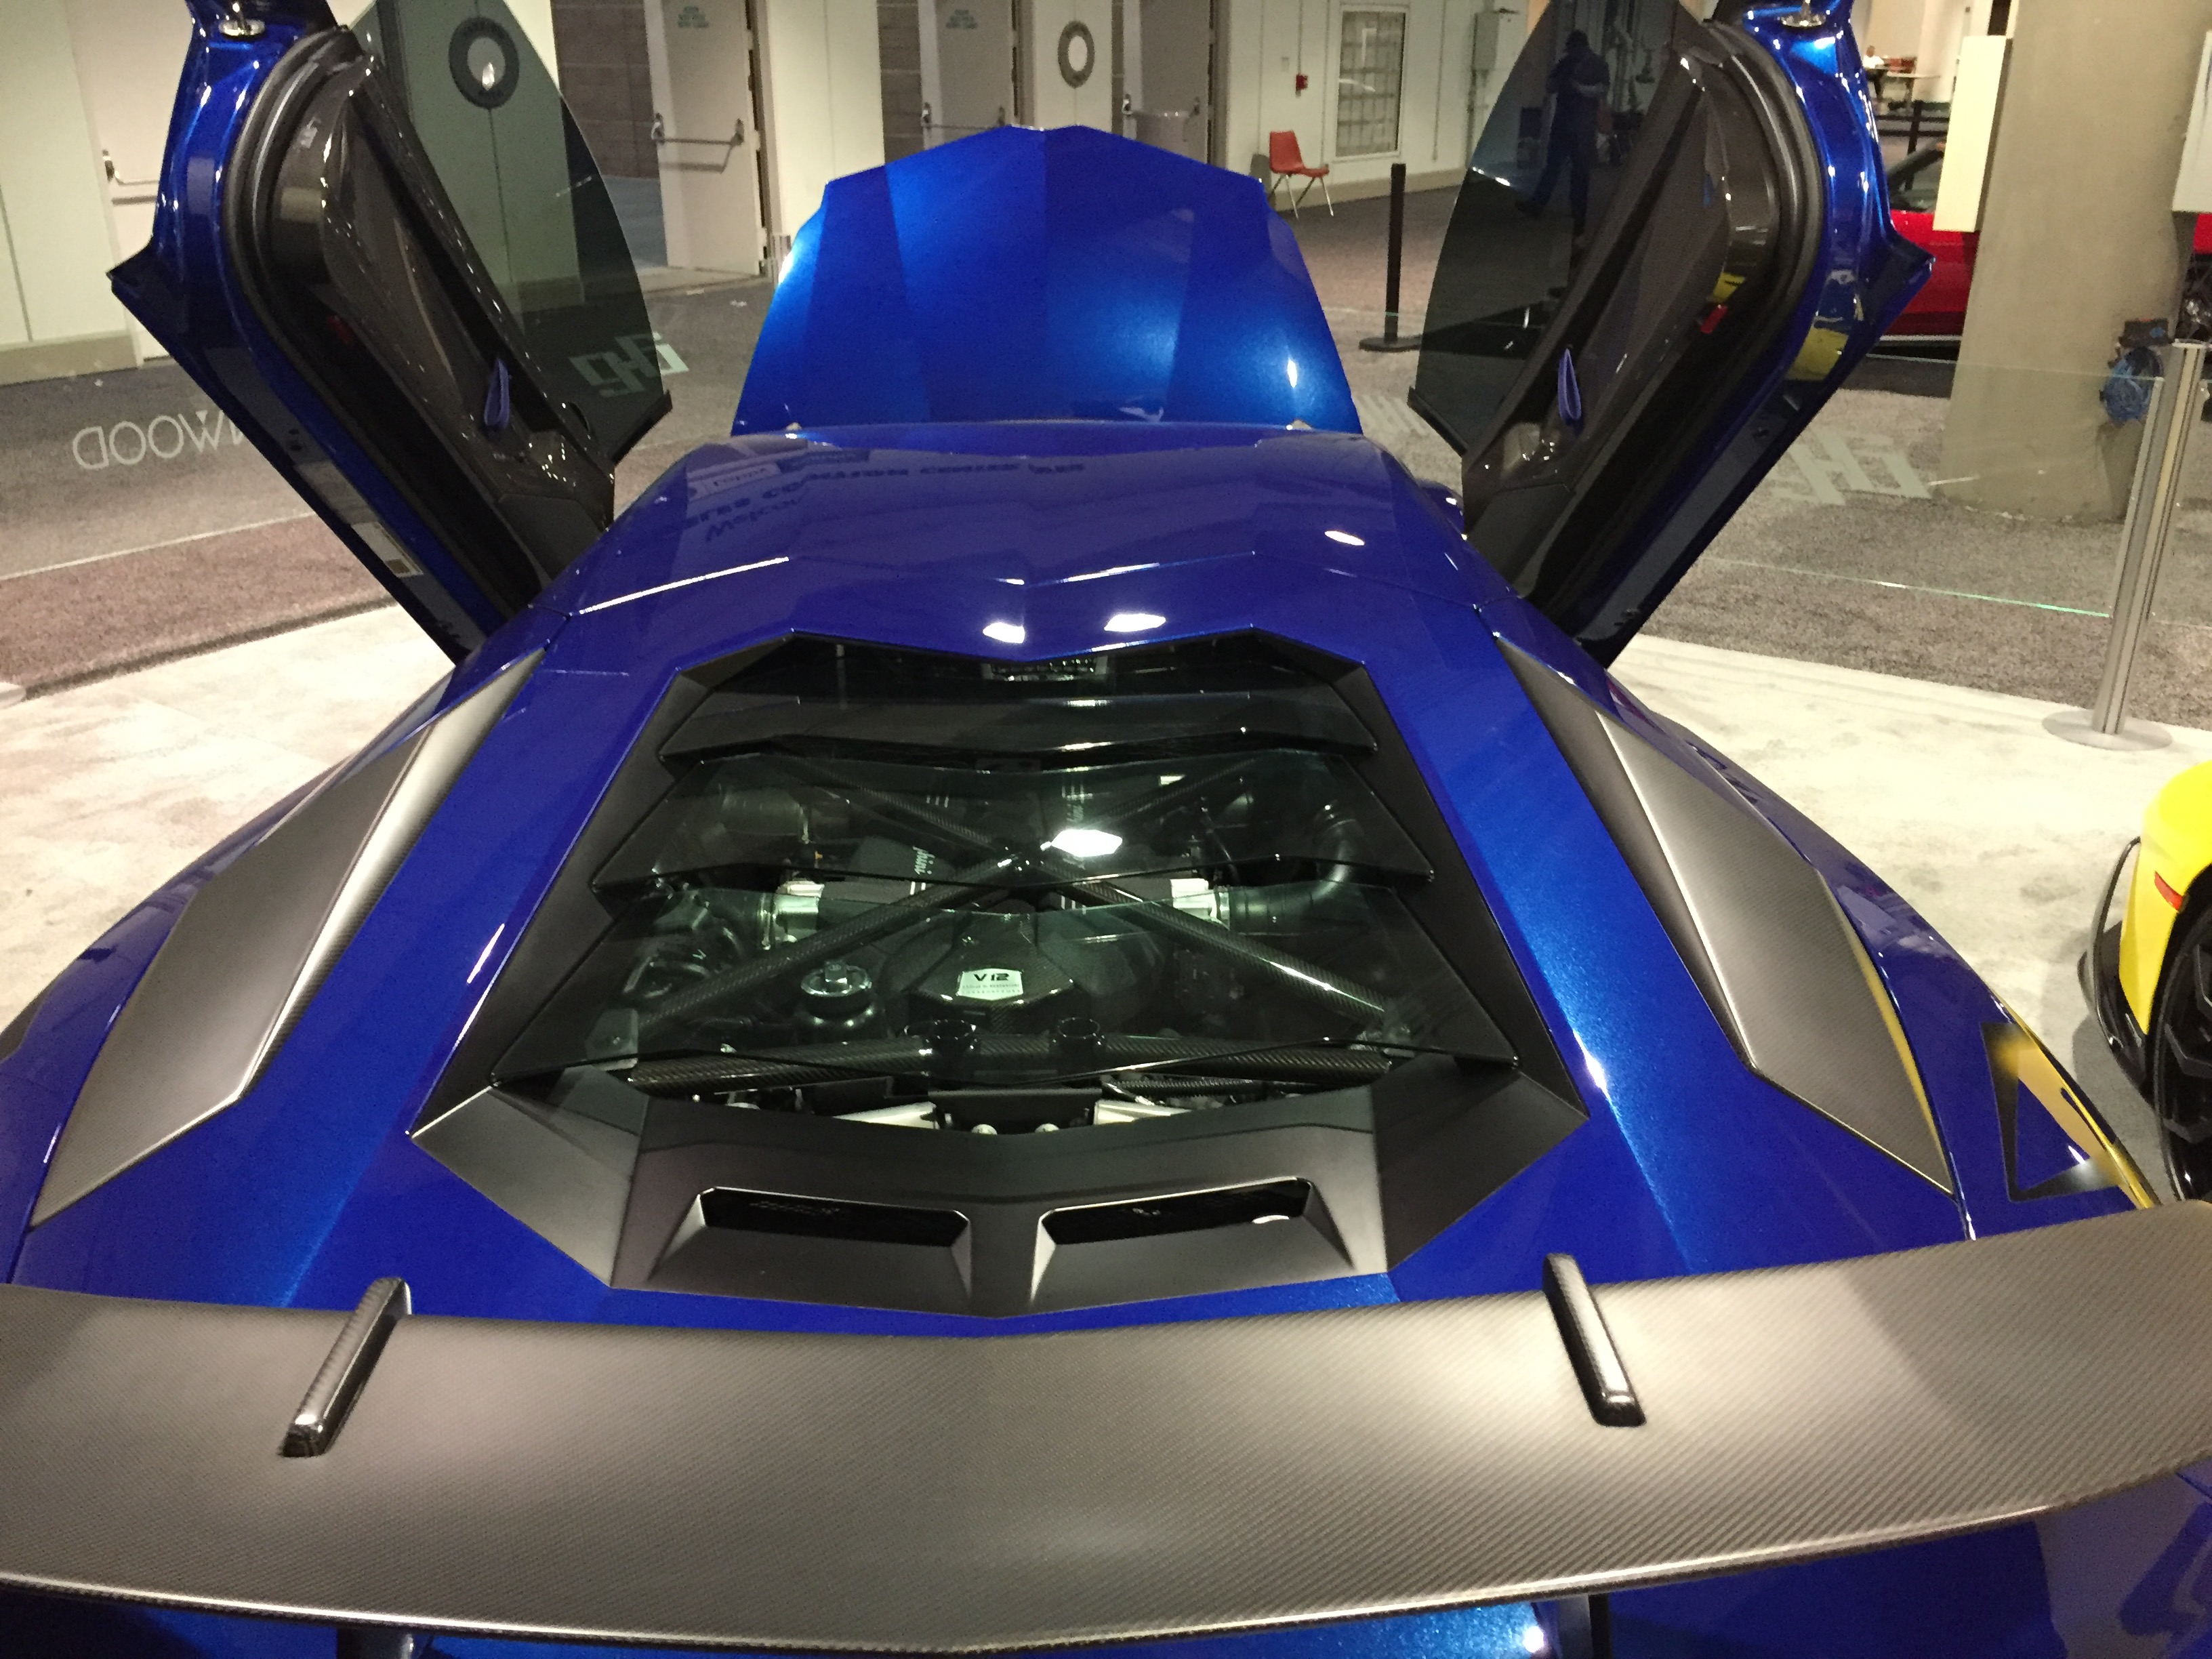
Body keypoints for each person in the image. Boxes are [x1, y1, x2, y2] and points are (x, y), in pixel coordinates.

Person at [1522, 29, 1609, 236]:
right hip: (1566, 124)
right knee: (1554, 167)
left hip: (1582, 126)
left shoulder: (1597, 64)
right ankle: (1538, 206)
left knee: (1579, 173)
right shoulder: (1566, 63)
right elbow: (1550, 85)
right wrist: (1558, 82)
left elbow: (1602, 88)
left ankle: (1578, 217)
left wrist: (1579, 88)